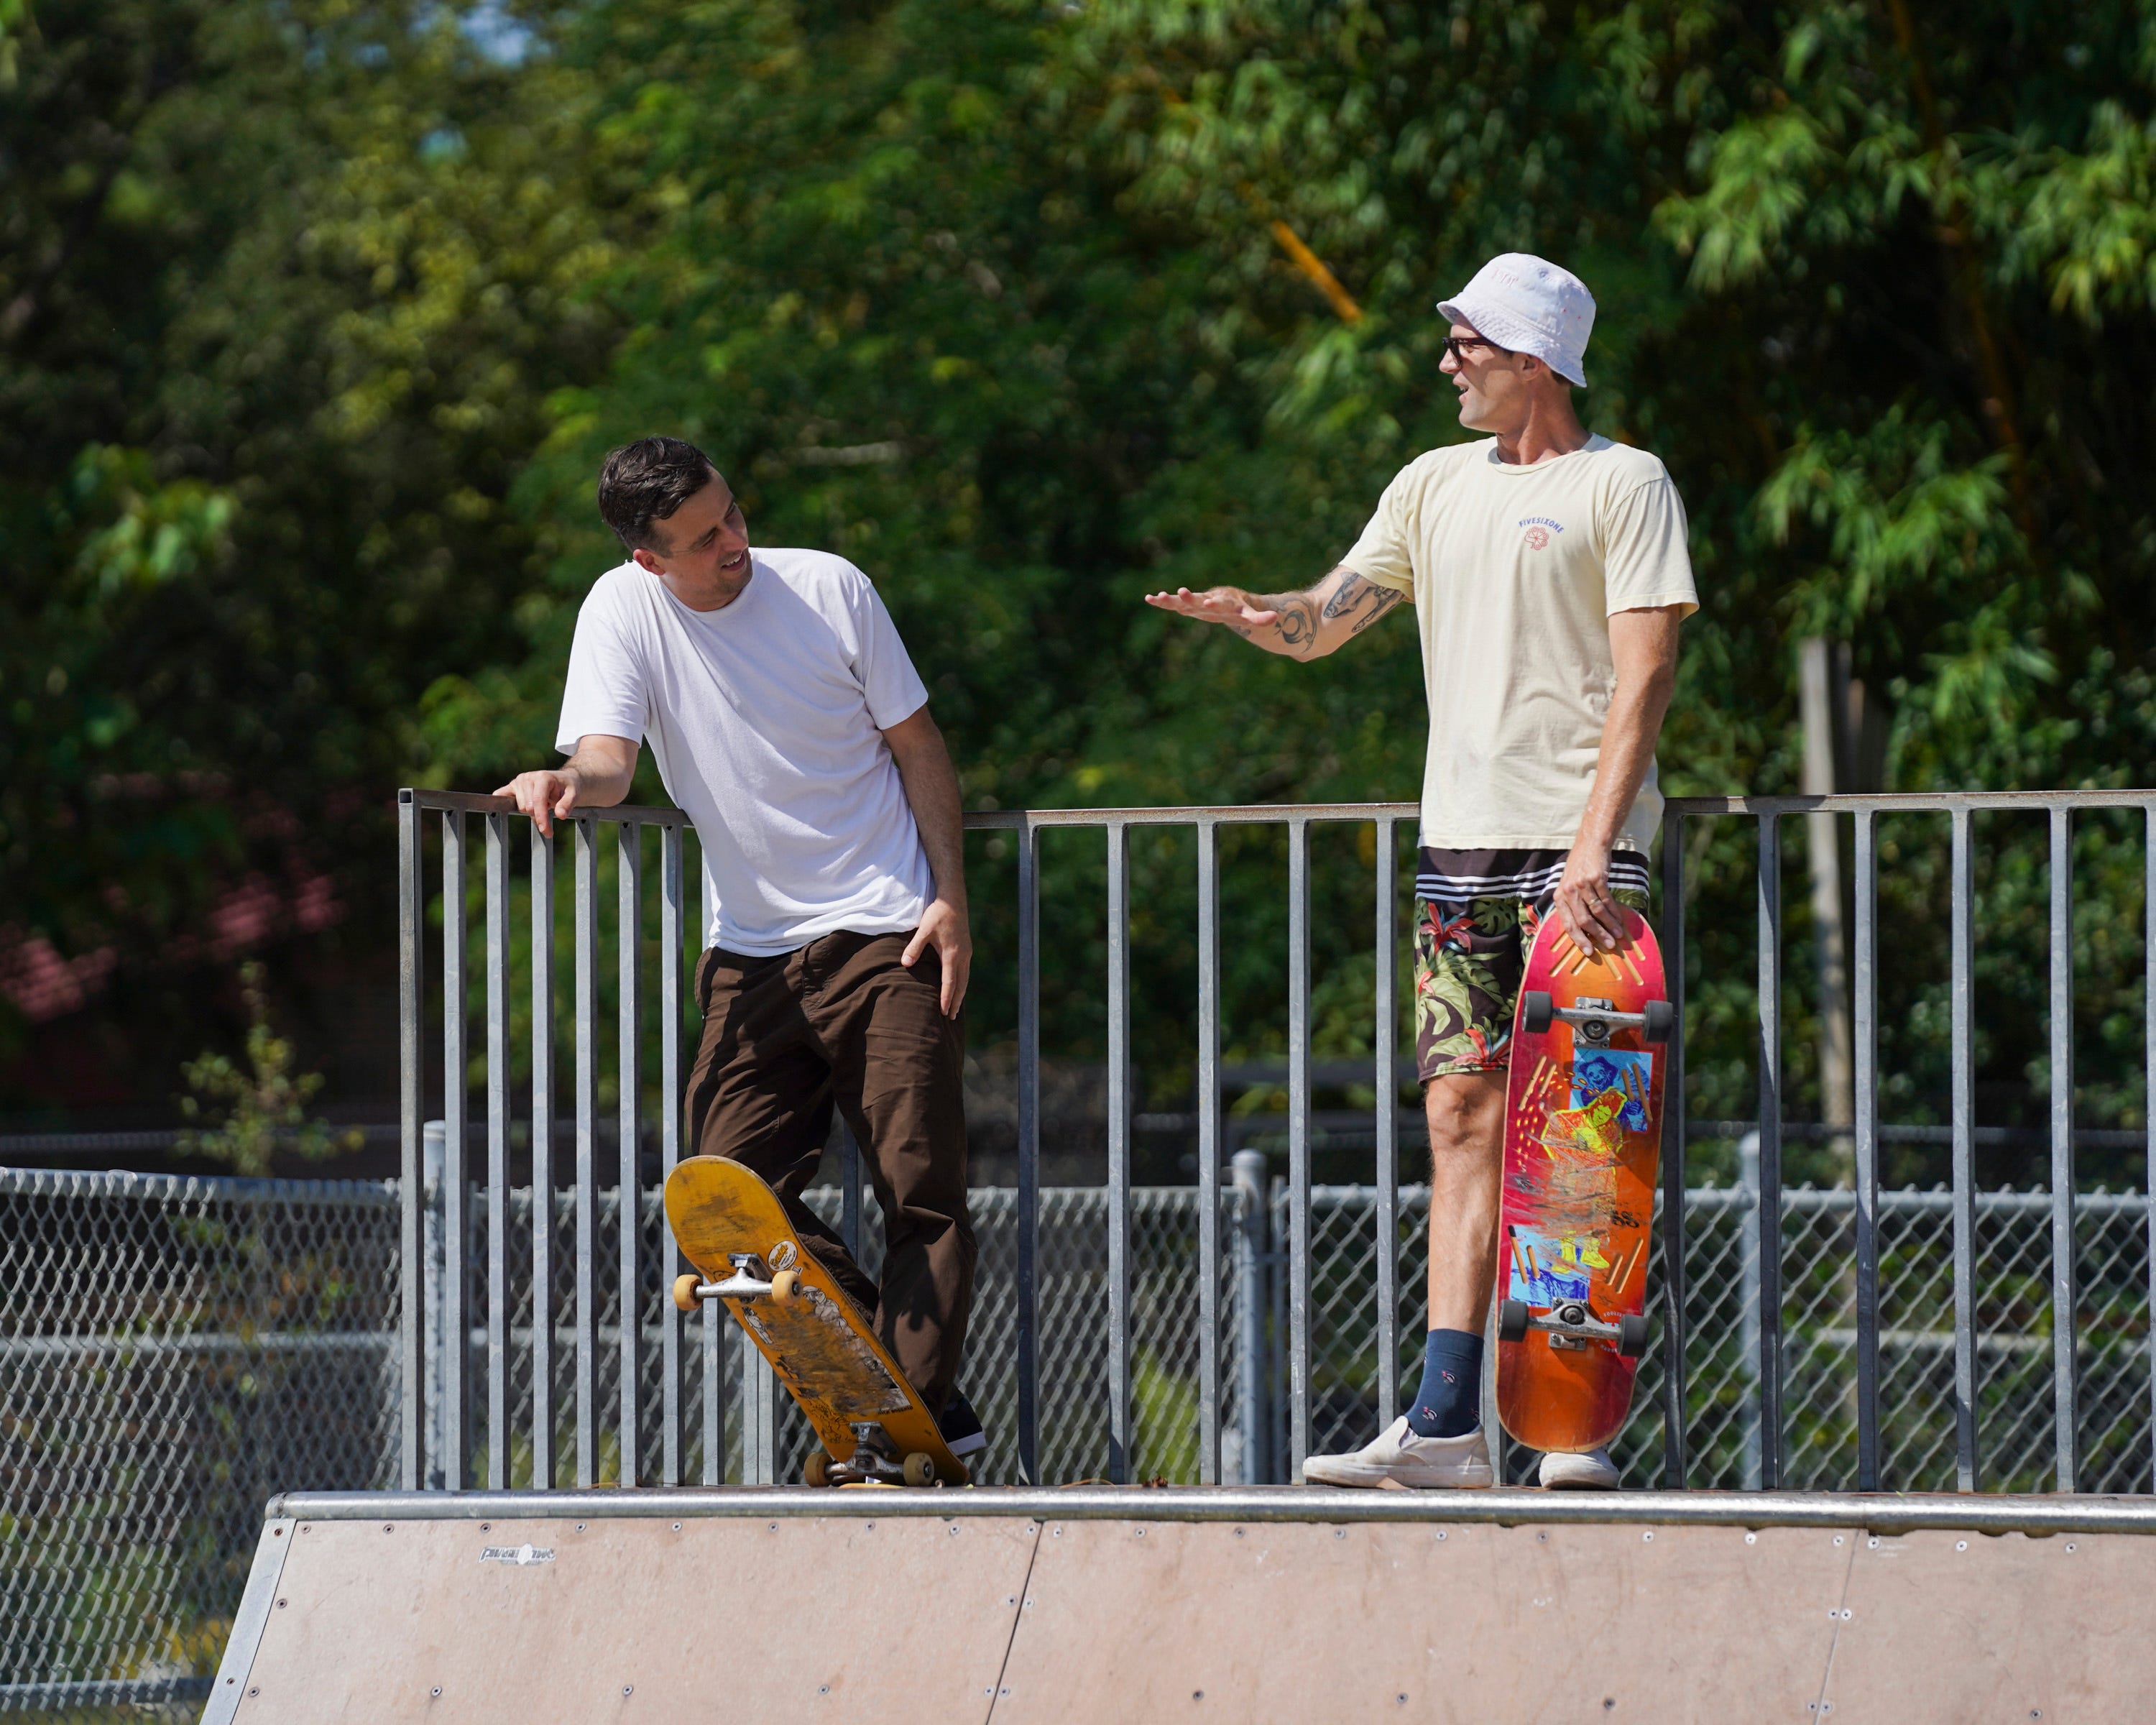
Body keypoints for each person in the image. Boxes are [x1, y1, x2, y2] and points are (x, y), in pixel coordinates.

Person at [1146, 254, 1696, 1489]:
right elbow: (1327, 620)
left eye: (1468, 345)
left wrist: (1599, 842)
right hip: (1457, 851)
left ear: (1534, 359)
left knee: (1582, 1136)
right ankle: (1447, 1425)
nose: (1447, 363)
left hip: (1581, 860)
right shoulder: (1429, 485)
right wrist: (1257, 613)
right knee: (1460, 1118)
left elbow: (1648, 670)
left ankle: (1569, 1426)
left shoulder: (1626, 483)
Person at [494, 435, 984, 1465]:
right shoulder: (621, 611)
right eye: (704, 538)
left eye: (734, 516)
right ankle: (905, 1398)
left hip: (887, 927)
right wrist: (561, 786)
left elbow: (919, 745)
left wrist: (949, 899)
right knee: (717, 1201)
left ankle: (906, 1432)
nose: (735, 544)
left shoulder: (830, 590)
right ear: (649, 559)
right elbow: (608, 760)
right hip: (752, 948)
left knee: (921, 1189)